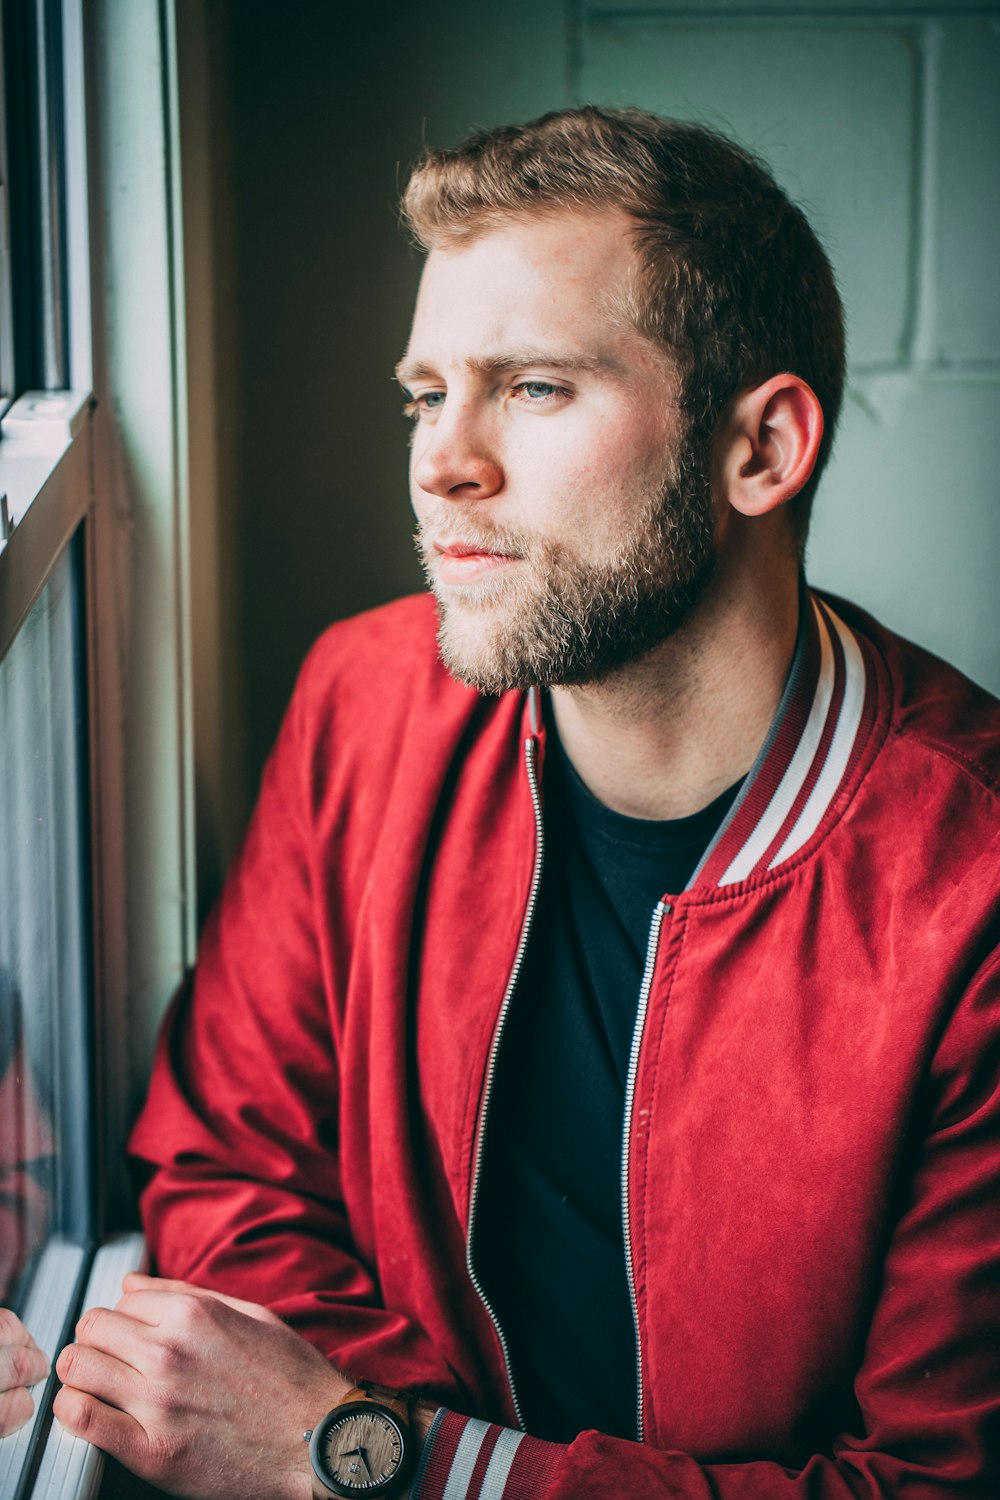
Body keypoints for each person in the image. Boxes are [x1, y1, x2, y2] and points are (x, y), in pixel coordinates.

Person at [2, 106, 998, 1498]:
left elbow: (933, 1487)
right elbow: (224, 1166)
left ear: (762, 450)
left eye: (533, 389)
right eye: (426, 391)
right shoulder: (364, 698)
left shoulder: (971, 895)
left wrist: (378, 1460)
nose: (439, 462)